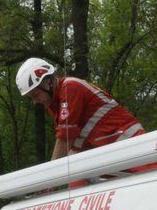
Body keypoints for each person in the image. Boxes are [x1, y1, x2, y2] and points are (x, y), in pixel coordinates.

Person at [15, 58, 146, 160]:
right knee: (76, 179)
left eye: (35, 95)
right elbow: (71, 145)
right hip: (105, 152)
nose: (35, 101)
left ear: (47, 83)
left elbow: (65, 138)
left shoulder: (70, 88)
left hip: (130, 143)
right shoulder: (54, 104)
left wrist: (50, 177)